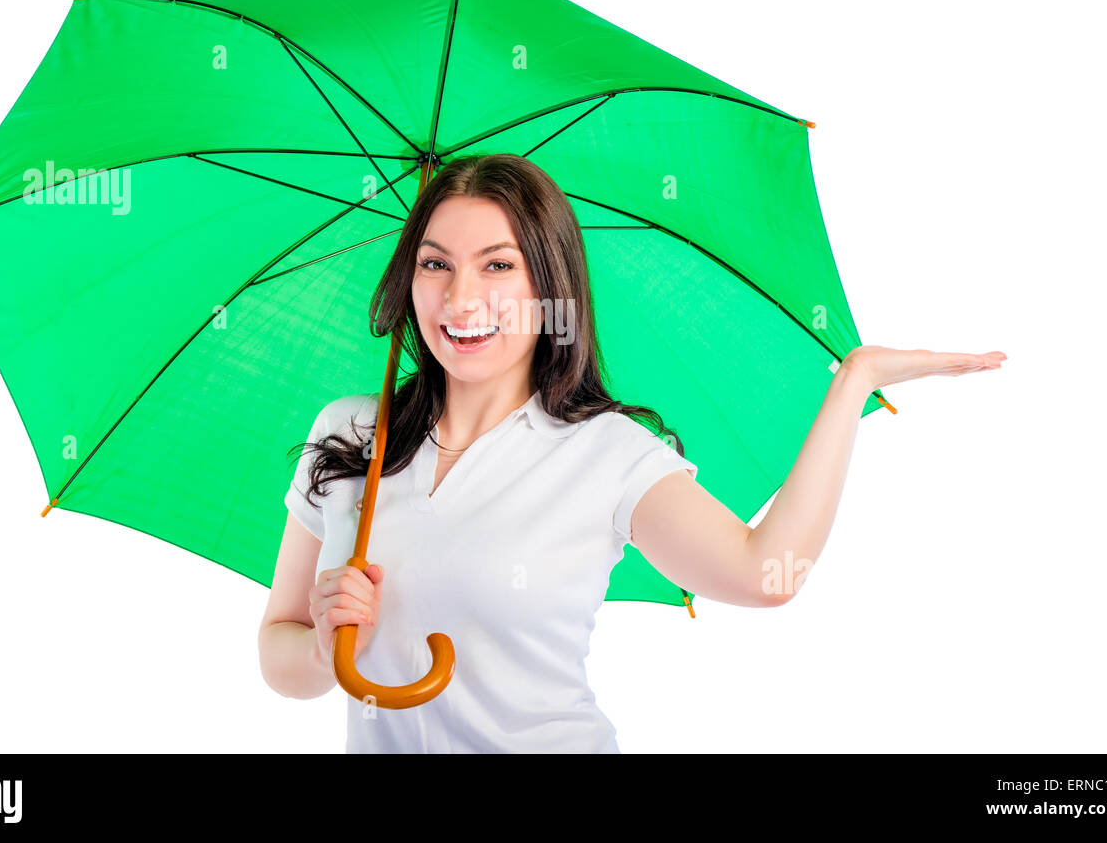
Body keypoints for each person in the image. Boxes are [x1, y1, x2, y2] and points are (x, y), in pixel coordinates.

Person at [257, 153, 1006, 752]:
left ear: (550, 286)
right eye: (434, 263)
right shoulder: (352, 433)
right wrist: (326, 651)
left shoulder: (605, 453)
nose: (460, 300)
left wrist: (854, 381)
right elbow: (277, 645)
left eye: (497, 265)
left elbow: (764, 572)